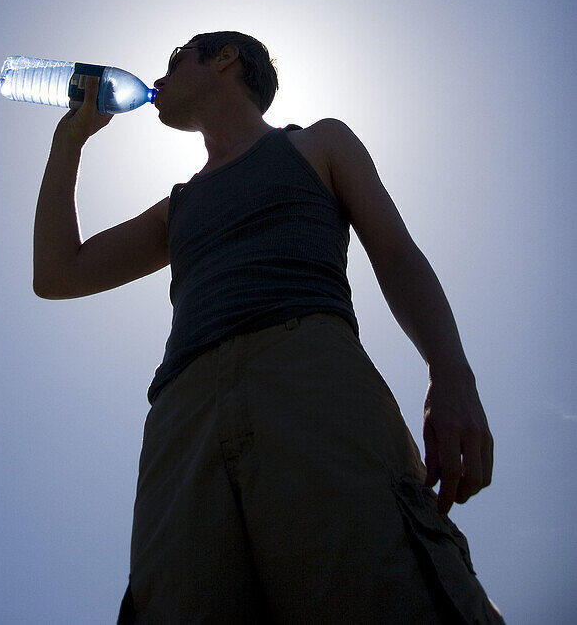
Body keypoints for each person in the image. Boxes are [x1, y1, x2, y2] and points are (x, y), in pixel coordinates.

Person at [33, 31, 505, 624]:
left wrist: (452, 375)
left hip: (312, 377)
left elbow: (397, 254)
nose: (162, 76)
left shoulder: (318, 145)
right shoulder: (179, 204)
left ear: (225, 58)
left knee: (385, 588)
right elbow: (56, 273)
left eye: (177, 60)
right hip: (183, 416)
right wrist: (68, 142)